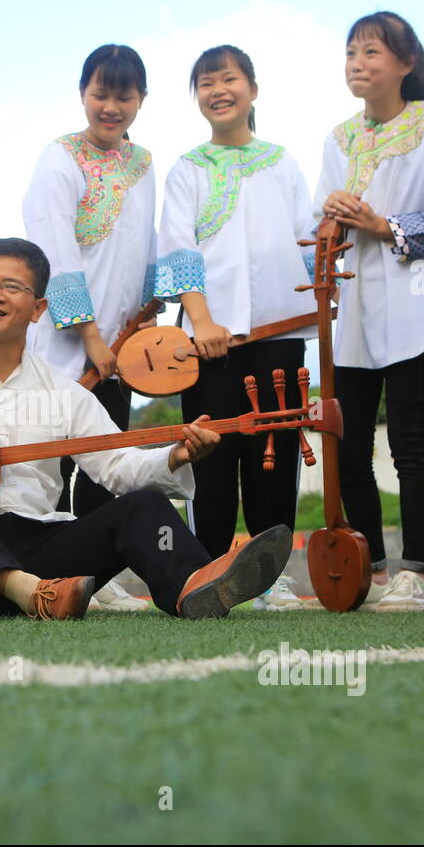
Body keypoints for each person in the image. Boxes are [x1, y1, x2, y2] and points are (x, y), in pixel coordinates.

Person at [0, 237, 293, 620]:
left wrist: (174, 456)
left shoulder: (64, 392)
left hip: (40, 556)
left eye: (11, 287)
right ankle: (22, 589)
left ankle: (192, 586)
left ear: (38, 308)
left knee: (141, 505)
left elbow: (117, 466)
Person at [314, 11, 424, 612]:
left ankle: (413, 572)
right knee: (349, 445)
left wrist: (385, 226)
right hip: (352, 311)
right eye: (352, 53)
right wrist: (328, 216)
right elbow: (319, 226)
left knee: (407, 440)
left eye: (372, 52)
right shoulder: (337, 138)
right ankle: (369, 568)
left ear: (406, 63)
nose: (358, 63)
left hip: (413, 308)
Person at [156, 44, 318, 612]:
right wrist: (201, 322)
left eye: (227, 79)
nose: (217, 90)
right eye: (204, 82)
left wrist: (323, 296)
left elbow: (308, 242)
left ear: (252, 88)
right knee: (212, 458)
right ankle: (209, 574)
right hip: (209, 346)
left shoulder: (281, 162)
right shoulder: (187, 168)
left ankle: (271, 580)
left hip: (281, 334)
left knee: (275, 457)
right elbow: (178, 250)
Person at [22, 43, 157, 611]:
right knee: (49, 456)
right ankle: (39, 573)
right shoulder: (60, 158)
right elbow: (52, 250)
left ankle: (98, 578)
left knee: (106, 461)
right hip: (64, 341)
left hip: (122, 345)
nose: (111, 106)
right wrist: (90, 336)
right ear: (83, 94)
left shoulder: (143, 163)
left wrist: (146, 316)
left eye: (124, 96)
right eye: (101, 93)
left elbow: (146, 244)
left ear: (141, 100)